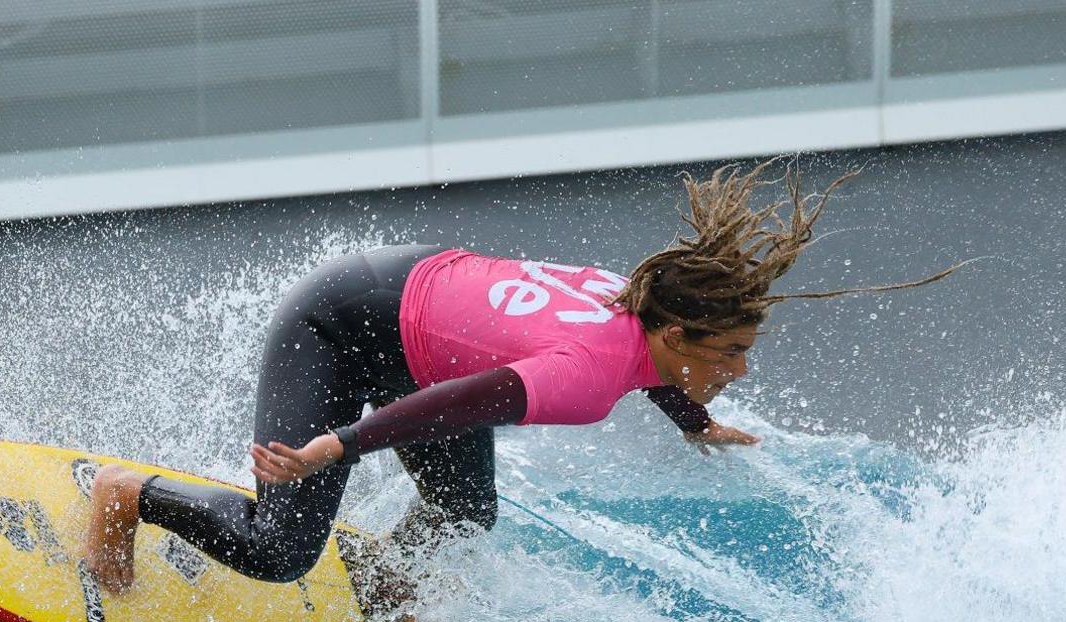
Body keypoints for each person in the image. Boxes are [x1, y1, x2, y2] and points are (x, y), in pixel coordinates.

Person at [84, 161, 958, 596]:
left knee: (463, 512)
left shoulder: (640, 305)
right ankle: (129, 492)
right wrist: (336, 446)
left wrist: (692, 416)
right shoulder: (582, 378)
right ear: (682, 331)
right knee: (281, 549)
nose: (742, 366)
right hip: (339, 325)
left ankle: (383, 592)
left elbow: (645, 366)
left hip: (409, 312)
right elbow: (460, 403)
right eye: (730, 350)